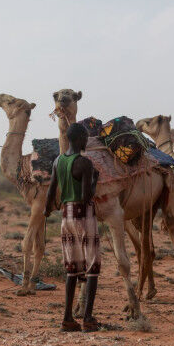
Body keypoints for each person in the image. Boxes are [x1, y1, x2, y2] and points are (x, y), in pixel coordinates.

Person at [44, 123, 100, 332]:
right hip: (84, 216)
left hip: (66, 216)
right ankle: (88, 318)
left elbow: (51, 192)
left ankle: (67, 318)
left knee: (72, 269)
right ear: (78, 139)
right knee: (92, 267)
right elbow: (87, 196)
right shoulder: (84, 163)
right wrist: (95, 179)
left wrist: (46, 211)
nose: (87, 141)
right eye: (85, 138)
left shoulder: (58, 161)